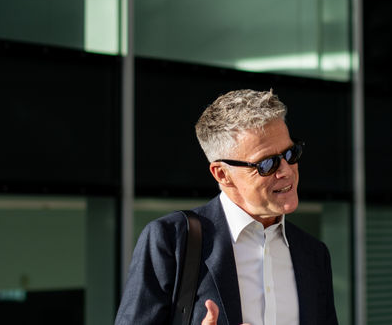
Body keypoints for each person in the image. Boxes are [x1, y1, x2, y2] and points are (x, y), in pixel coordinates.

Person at [115, 89, 339, 325]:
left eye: (290, 154)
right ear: (222, 174)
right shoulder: (172, 241)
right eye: (267, 164)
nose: (286, 171)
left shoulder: (314, 254)